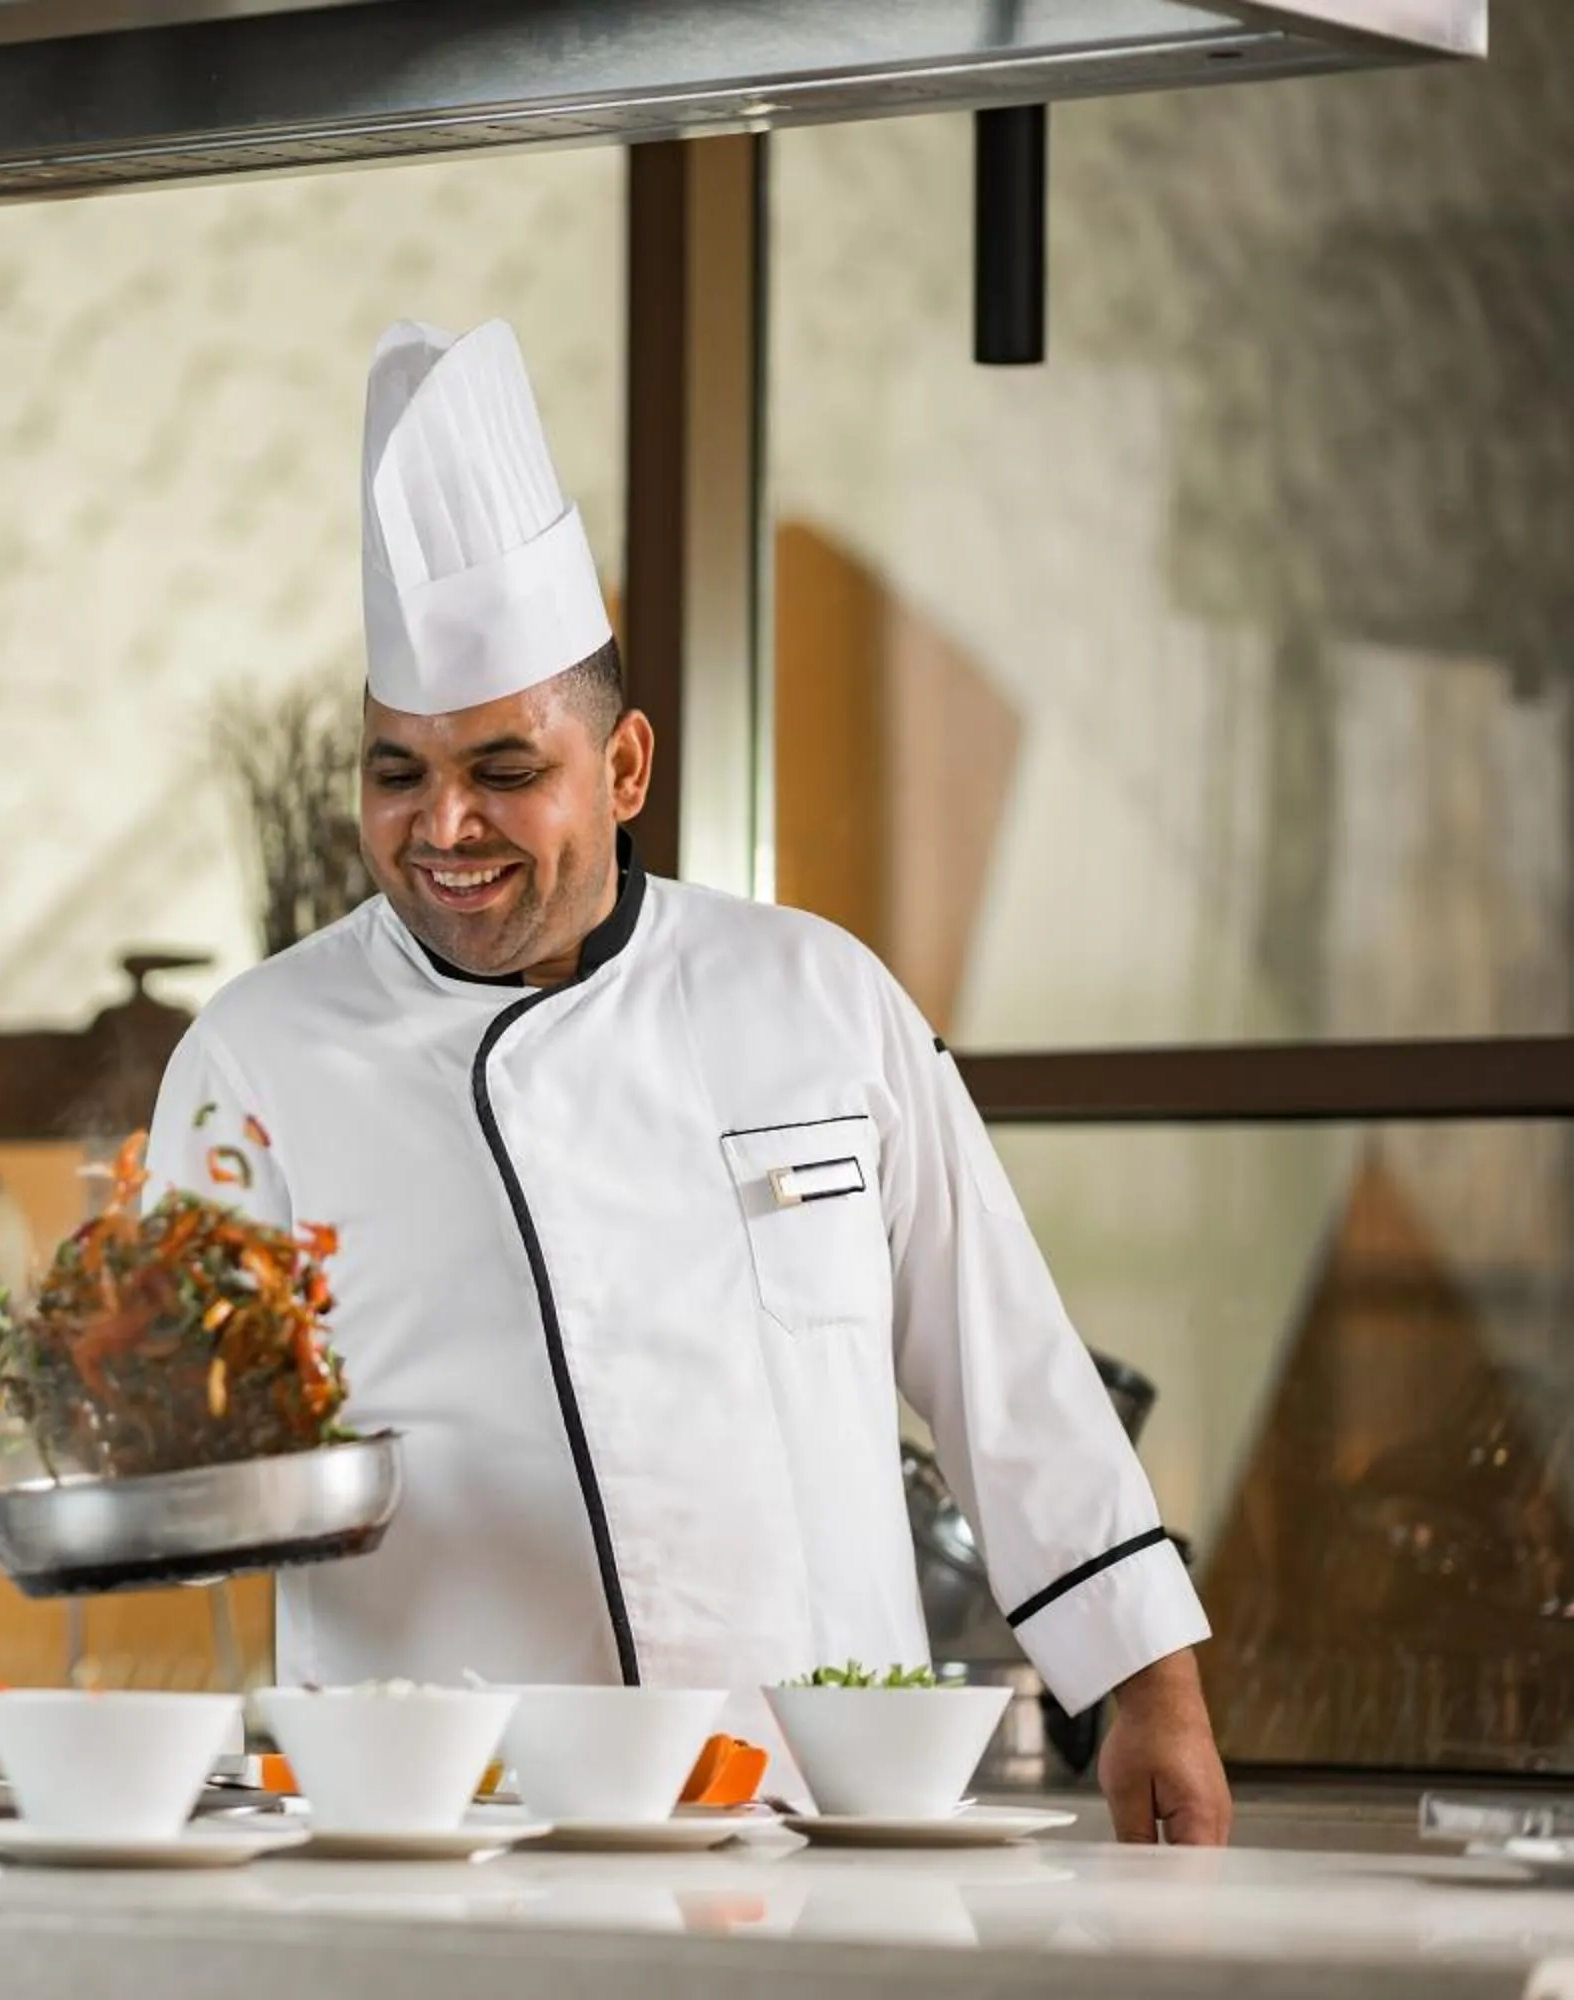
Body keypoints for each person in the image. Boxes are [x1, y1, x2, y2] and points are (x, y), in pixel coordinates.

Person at [145, 318, 1232, 1844]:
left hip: (824, 1817)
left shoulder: (814, 998)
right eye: (399, 773)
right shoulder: (256, 1055)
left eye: (505, 770)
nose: (442, 825)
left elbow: (1005, 1370)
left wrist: (1154, 1696)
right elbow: (176, 1448)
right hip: (445, 1835)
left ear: (627, 769)